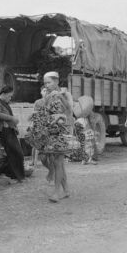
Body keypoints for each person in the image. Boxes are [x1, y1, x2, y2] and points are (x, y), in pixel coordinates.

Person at [43, 72, 73, 202]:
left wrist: (60, 96)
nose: (46, 85)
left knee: (58, 162)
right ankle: (66, 190)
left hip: (63, 132)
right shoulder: (47, 95)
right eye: (45, 83)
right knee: (56, 162)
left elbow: (70, 110)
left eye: (49, 82)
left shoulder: (65, 94)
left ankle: (56, 192)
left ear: (56, 82)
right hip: (51, 131)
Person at [0, 85, 26, 182]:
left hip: (10, 130)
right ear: (3, 94)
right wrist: (12, 118)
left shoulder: (4, 102)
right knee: (16, 153)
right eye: (9, 96)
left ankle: (14, 175)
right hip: (5, 130)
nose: (10, 98)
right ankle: (15, 176)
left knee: (15, 154)